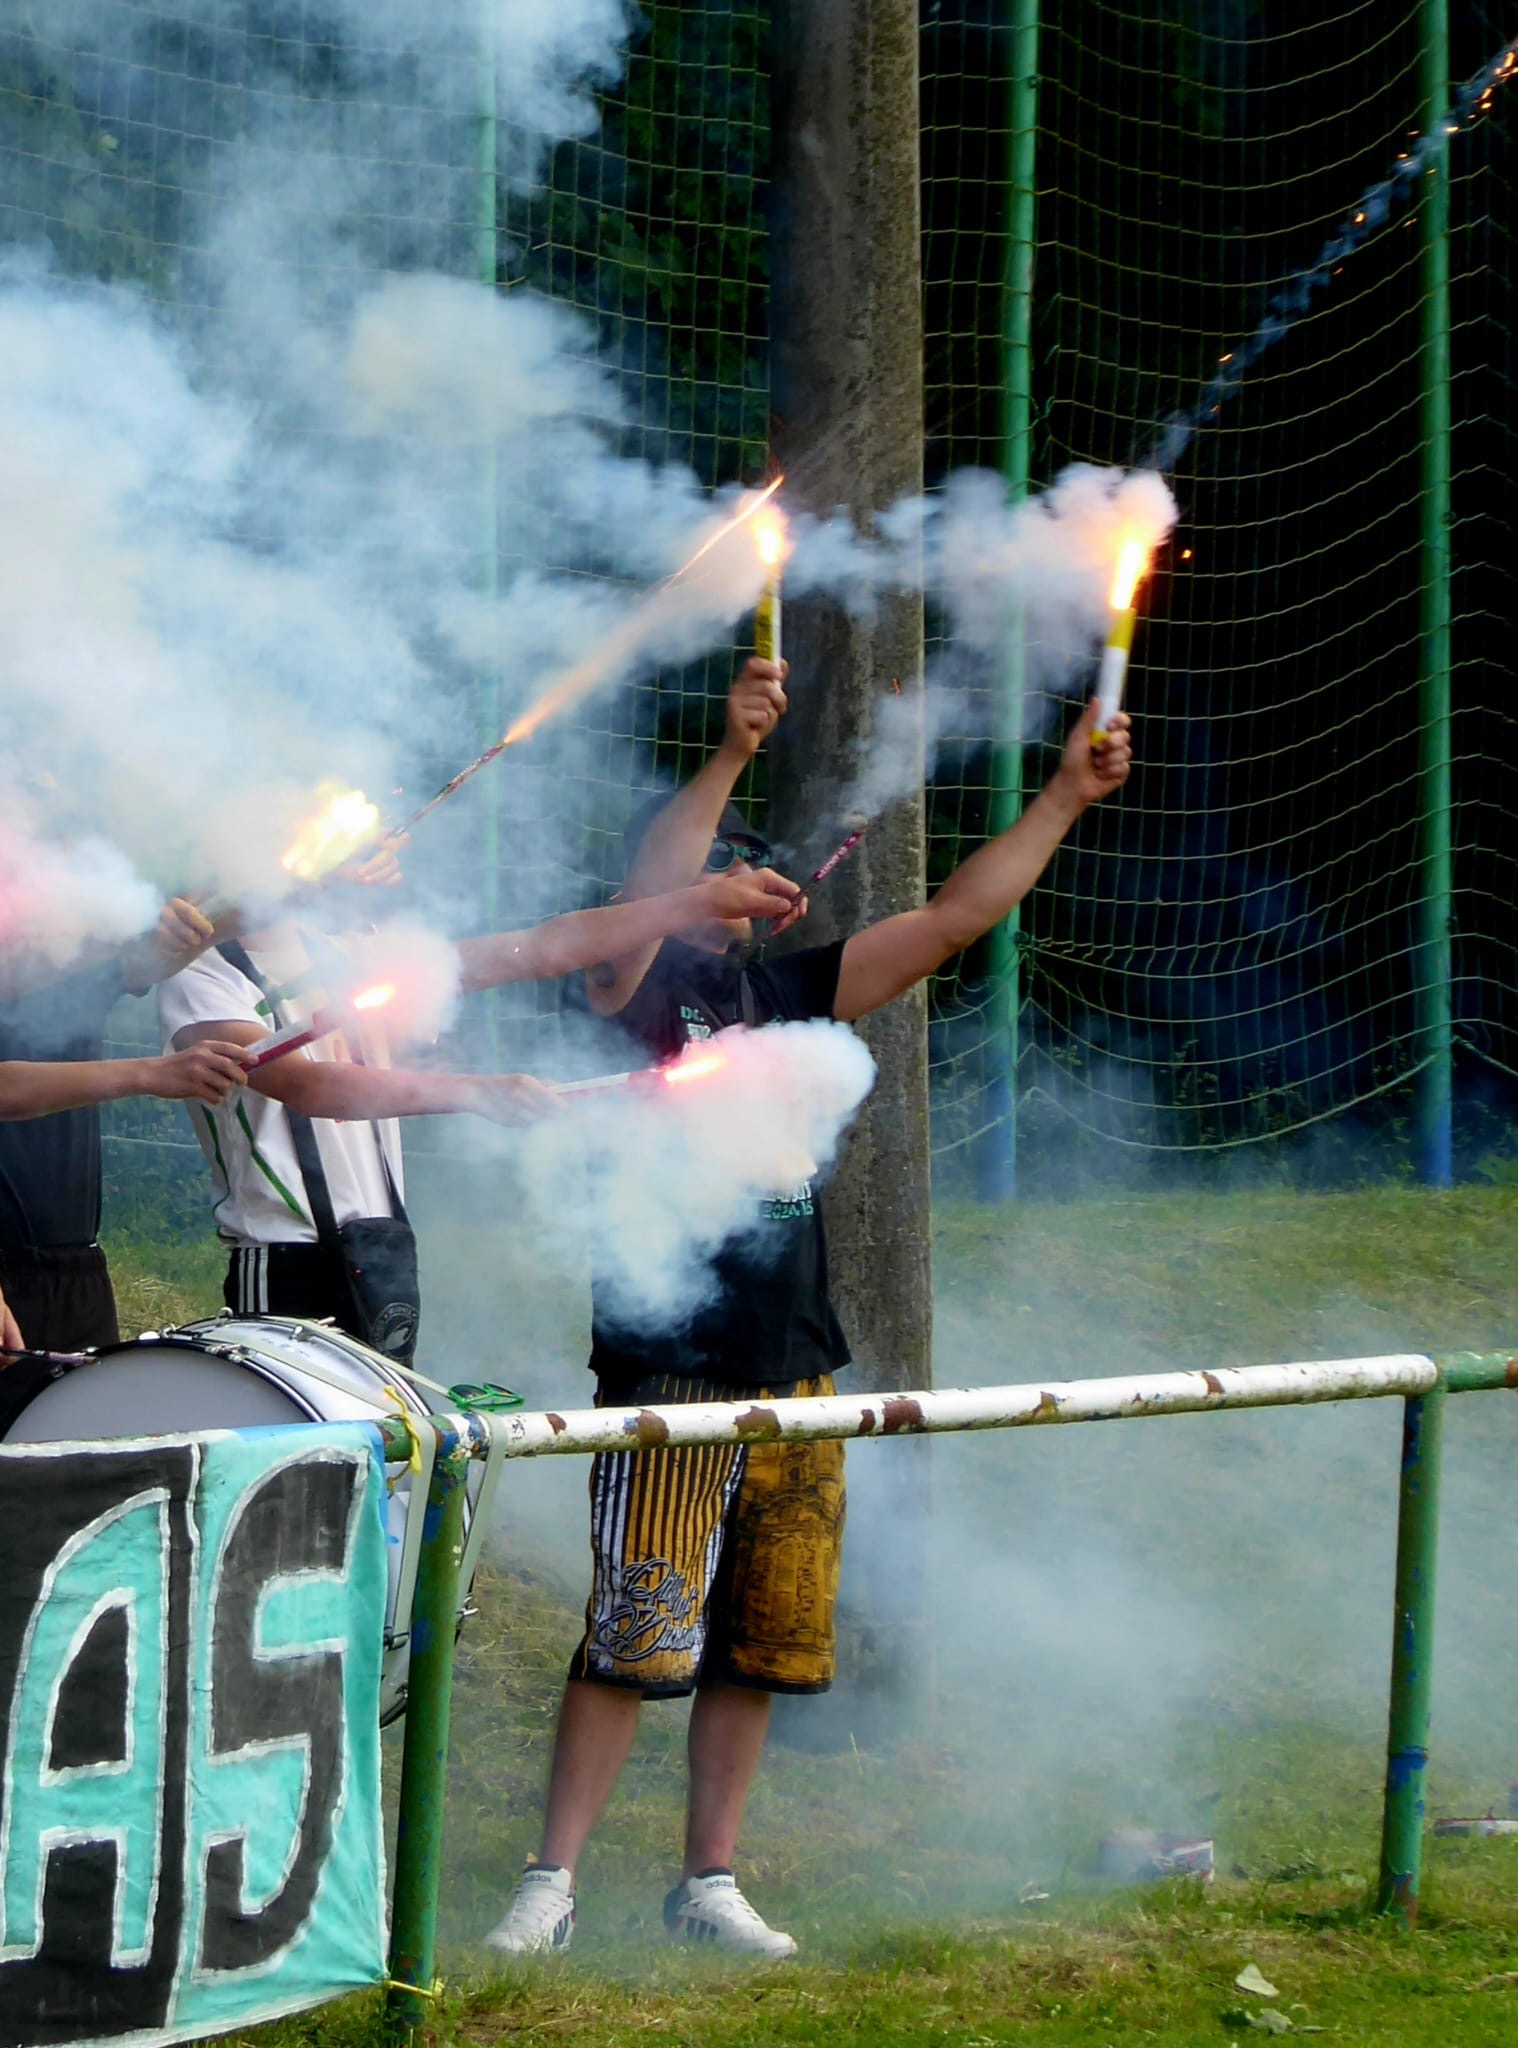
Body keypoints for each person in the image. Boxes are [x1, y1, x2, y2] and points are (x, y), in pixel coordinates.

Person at [484, 660, 1132, 1960]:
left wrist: (1063, 797)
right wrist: (726, 756)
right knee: (634, 1631)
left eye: (745, 868)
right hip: (669, 1374)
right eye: (711, 872)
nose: (738, 884)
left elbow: (951, 918)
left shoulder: (782, 991)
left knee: (760, 1644)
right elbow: (632, 910)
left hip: (797, 1372)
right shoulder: (623, 988)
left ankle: (706, 1881)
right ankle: (548, 1885)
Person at [159, 862, 801, 1348]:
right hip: (282, 1257)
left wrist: (701, 900)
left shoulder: (350, 951)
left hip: (382, 1250)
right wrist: (476, 1091)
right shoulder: (201, 974)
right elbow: (308, 1085)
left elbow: (543, 947)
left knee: (376, 1470)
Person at [0, 897, 245, 1351]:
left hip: (78, 1269)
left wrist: (314, 878)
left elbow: (152, 955)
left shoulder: (62, 962)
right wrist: (150, 1073)